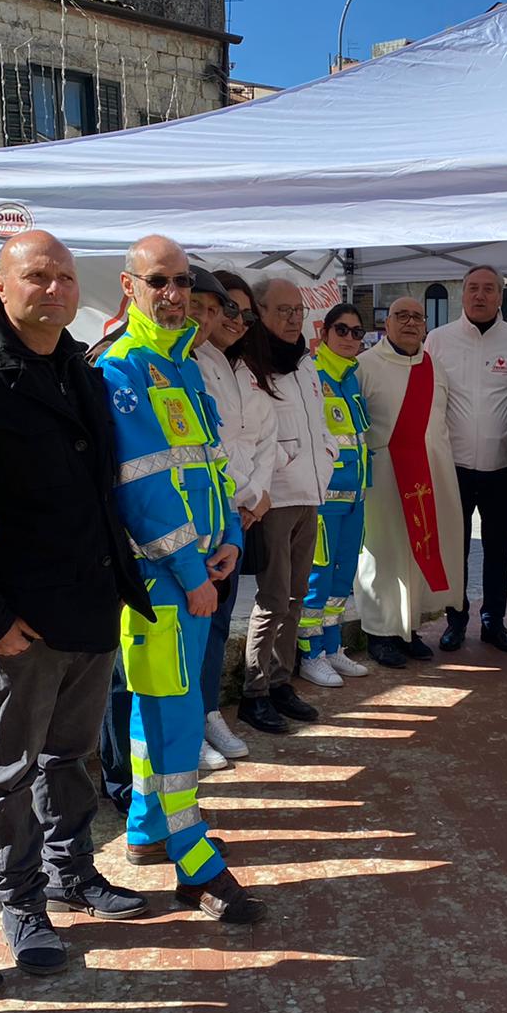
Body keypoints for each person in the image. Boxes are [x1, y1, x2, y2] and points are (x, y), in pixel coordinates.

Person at [0, 230, 156, 976]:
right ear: (1, 287)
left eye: (66, 278)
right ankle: (20, 901)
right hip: (17, 624)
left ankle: (72, 871)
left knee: (73, 757)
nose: (55, 289)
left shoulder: (81, 370)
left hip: (88, 608)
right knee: (5, 769)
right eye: (37, 276)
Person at [98, 234, 264, 924]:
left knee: (157, 703)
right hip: (158, 580)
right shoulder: (120, 371)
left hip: (199, 568)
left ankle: (145, 826)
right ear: (129, 286)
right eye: (157, 281)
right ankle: (192, 855)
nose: (172, 295)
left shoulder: (187, 367)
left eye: (180, 283)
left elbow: (210, 466)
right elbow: (143, 491)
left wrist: (228, 535)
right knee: (175, 710)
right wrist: (195, 573)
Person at [238, 275, 335, 734]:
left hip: (310, 497)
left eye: (298, 310)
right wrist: (286, 462)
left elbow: (320, 427)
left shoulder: (305, 364)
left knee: (296, 597)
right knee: (273, 599)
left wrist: (327, 458)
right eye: (283, 310)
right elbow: (250, 437)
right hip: (275, 501)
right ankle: (253, 692)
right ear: (258, 312)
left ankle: (280, 681)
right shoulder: (251, 367)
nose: (295, 318)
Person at [425, 265, 507, 652]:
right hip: (452, 467)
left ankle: (493, 621)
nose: (480, 295)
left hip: (501, 468)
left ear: (500, 297)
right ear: (462, 294)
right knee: (455, 548)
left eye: (488, 289)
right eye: (473, 288)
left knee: (495, 550)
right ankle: (455, 619)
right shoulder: (438, 341)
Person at [190, 268, 274, 768]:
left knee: (218, 623)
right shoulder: (190, 364)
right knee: (193, 626)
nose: (230, 319)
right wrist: (237, 500)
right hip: (212, 513)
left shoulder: (236, 367)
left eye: (240, 312)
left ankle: (206, 711)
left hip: (236, 517)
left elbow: (262, 442)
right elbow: (210, 447)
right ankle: (193, 719)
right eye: (224, 309)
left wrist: (255, 498)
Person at [355, 298, 464, 667]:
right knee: (383, 555)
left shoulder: (435, 367)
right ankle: (379, 633)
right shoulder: (364, 366)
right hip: (384, 474)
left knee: (417, 554)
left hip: (428, 474)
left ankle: (408, 629)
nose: (411, 323)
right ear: (386, 324)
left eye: (417, 317)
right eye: (401, 316)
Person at [297, 303, 372, 687]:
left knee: (343, 578)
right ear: (324, 333)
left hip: (355, 497)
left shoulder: (351, 377)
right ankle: (310, 654)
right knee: (318, 577)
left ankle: (331, 647)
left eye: (357, 333)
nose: (349, 338)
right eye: (342, 330)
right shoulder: (313, 374)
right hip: (325, 499)